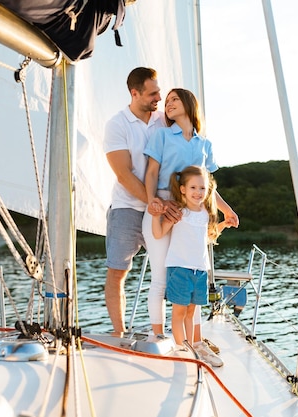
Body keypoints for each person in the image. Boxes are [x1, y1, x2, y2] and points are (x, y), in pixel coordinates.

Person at [142, 88, 239, 348]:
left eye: (174, 99)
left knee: (193, 272)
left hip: (193, 210)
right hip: (163, 206)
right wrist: (154, 201)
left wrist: (226, 210)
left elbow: (207, 186)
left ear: (188, 104)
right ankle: (158, 336)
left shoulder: (204, 144)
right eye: (167, 100)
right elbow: (151, 173)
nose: (168, 103)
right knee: (162, 276)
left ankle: (194, 341)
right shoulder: (161, 135)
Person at [102, 67, 167, 336]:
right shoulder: (117, 124)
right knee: (117, 272)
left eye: (159, 91)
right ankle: (118, 333)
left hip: (162, 207)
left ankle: (168, 331)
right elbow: (123, 174)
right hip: (127, 208)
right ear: (135, 93)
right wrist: (153, 202)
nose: (159, 98)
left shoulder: (165, 120)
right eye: (153, 93)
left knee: (169, 272)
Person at [149, 165, 233, 366]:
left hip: (200, 270)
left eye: (202, 188)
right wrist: (154, 216)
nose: (198, 192)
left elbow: (208, 237)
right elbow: (158, 234)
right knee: (179, 313)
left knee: (191, 312)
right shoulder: (179, 212)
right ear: (183, 189)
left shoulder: (205, 213)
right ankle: (181, 350)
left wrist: (223, 224)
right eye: (193, 188)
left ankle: (194, 345)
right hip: (179, 269)